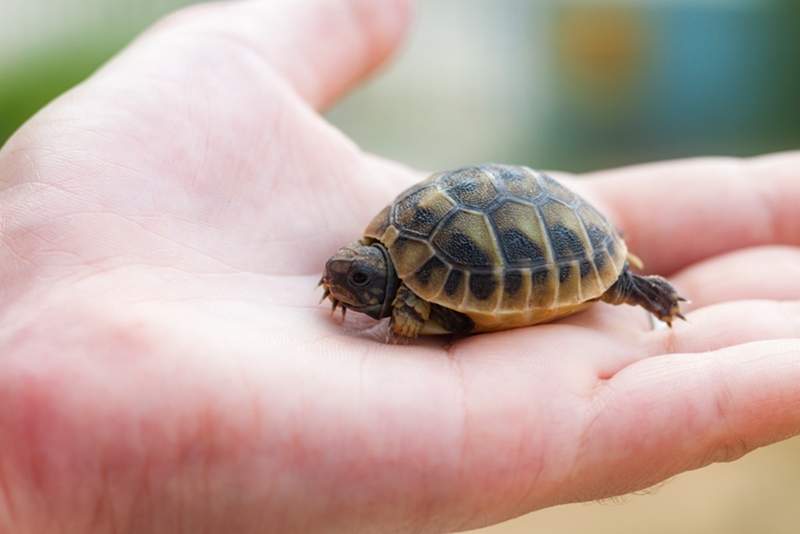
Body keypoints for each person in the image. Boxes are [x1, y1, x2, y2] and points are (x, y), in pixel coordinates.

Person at [0, 0, 798, 532]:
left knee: (624, 283)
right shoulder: (382, 249)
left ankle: (634, 284)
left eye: (351, 281)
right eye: (348, 276)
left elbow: (435, 303)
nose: (339, 284)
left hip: (563, 233)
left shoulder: (418, 294)